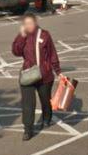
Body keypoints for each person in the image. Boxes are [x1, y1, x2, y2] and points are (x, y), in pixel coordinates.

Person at [12, 13, 62, 141]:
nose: (29, 26)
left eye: (31, 23)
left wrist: (58, 71)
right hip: (28, 74)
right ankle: (28, 129)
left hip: (44, 75)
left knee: (45, 99)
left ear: (35, 22)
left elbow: (52, 54)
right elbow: (16, 51)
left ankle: (46, 117)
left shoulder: (44, 35)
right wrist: (21, 36)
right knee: (28, 103)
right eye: (26, 23)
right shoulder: (23, 36)